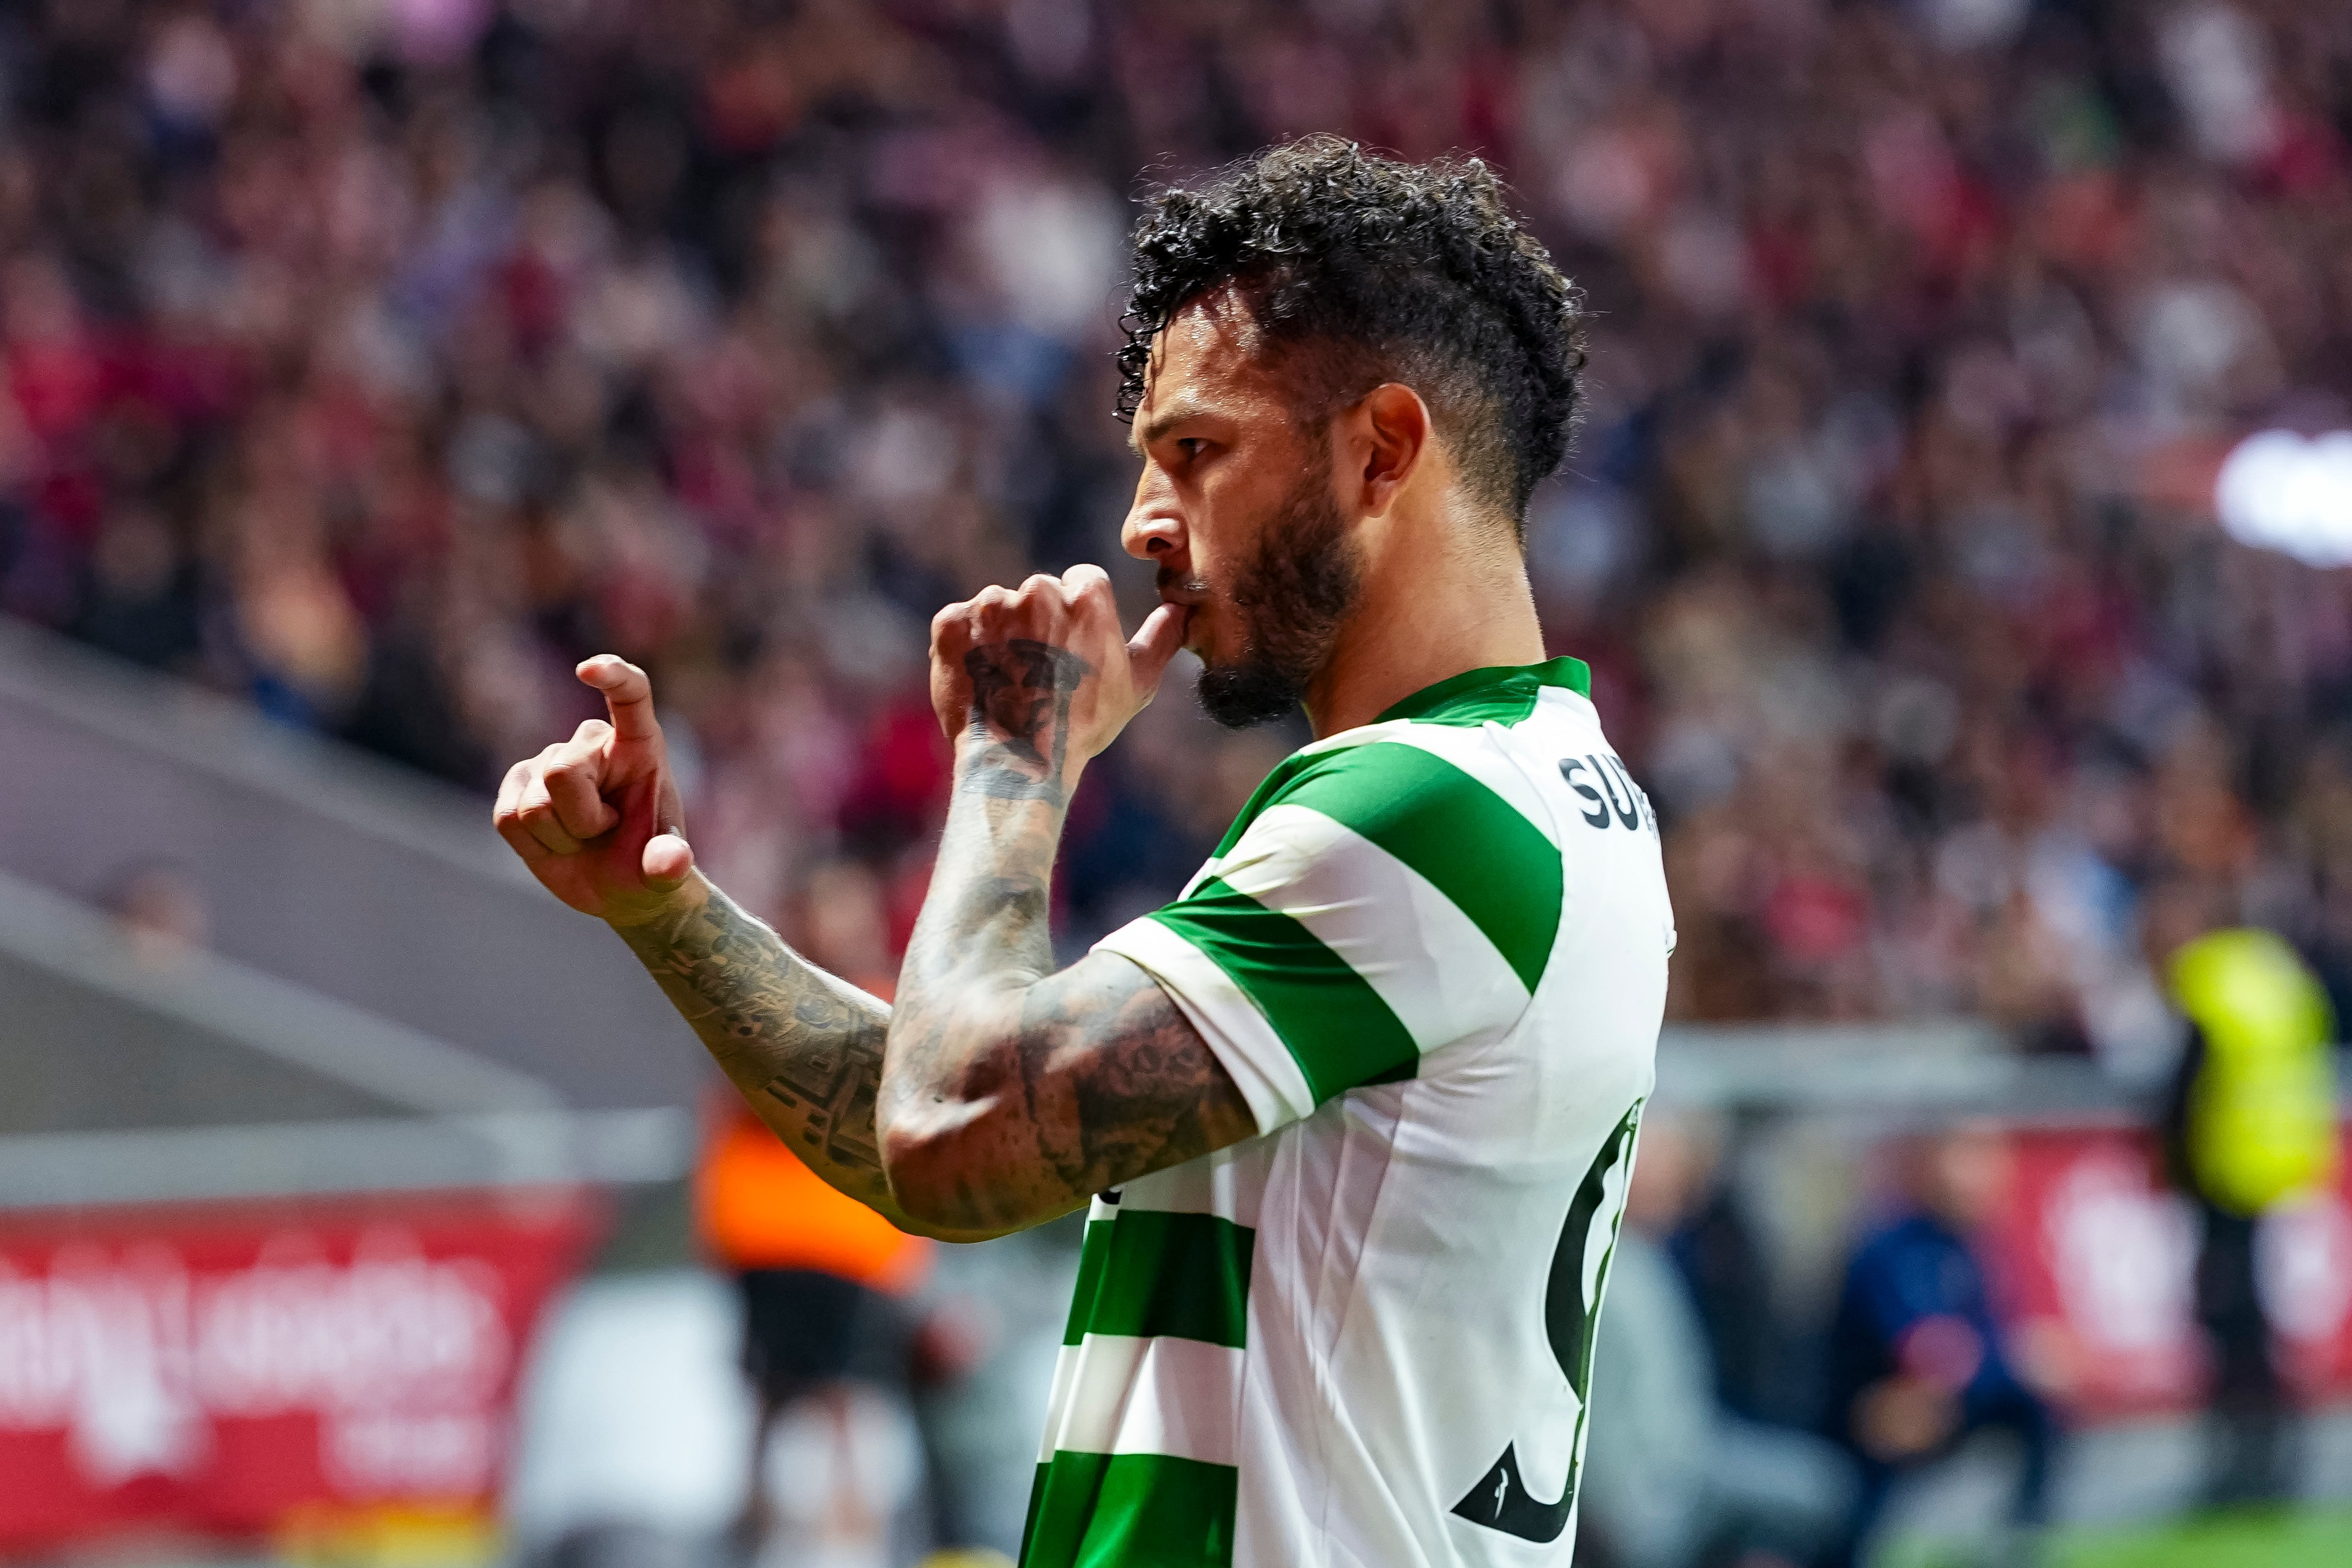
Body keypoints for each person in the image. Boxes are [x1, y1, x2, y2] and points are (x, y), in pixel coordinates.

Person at [494, 137, 1674, 1566]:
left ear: (1381, 448)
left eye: (1197, 450)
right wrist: (666, 912)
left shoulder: (1423, 812)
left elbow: (951, 1137)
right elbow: (945, 1108)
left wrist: (1010, 769)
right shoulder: (1551, 793)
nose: (1140, 524)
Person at [2152, 908, 2340, 1507]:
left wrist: (2172, 1168)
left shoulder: (2210, 987)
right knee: (2261, 1327)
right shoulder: (2278, 983)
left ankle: (2244, 1470)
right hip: (2280, 1170)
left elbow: (2185, 1092)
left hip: (2224, 1176)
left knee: (2233, 1330)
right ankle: (2276, 1461)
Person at [1822, 1123, 2055, 1566]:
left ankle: (2020, 1542)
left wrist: (2017, 1363)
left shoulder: (1977, 1245)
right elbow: (1932, 1355)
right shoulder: (1891, 1247)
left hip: (1939, 1405)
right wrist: (2018, 1360)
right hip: (1861, 1420)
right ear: (1930, 1164)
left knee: (2033, 1403)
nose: (1982, 1175)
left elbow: (1985, 1342)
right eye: (1967, 1157)